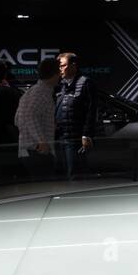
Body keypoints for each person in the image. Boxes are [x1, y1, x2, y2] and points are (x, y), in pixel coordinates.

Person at [54, 52, 98, 180]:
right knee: (62, 176)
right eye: (59, 66)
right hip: (60, 138)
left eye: (63, 65)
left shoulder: (86, 83)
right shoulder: (61, 85)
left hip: (76, 139)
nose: (60, 69)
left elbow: (92, 110)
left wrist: (86, 134)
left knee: (76, 176)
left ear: (74, 65)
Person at [15, 57, 59, 181]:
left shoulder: (31, 92)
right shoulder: (41, 93)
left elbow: (17, 119)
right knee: (45, 190)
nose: (60, 76)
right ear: (54, 74)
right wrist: (41, 141)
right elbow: (29, 116)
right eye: (59, 72)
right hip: (38, 152)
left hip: (30, 151)